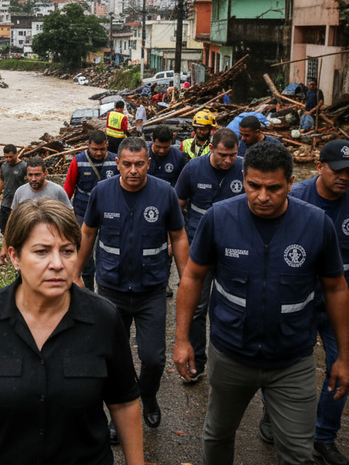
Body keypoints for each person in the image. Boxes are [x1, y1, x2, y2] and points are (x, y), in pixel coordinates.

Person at [173, 141, 349, 465]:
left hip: (292, 362)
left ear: (291, 183)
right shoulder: (220, 218)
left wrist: (344, 356)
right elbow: (193, 277)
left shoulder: (316, 224)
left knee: (298, 452)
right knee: (216, 436)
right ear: (244, 177)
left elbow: (336, 288)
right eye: (254, 186)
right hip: (230, 356)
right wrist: (182, 339)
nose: (262, 197)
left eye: (273, 188)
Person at [0, 198, 144, 465]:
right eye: (42, 251)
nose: (57, 264)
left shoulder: (103, 319)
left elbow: (124, 403)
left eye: (67, 251)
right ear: (14, 256)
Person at [75, 137, 190, 436]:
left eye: (140, 164)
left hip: (150, 290)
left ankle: (148, 396)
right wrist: (75, 272)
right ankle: (119, 412)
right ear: (118, 163)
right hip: (111, 290)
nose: (133, 170)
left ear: (148, 164)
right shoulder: (103, 192)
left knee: (153, 357)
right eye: (127, 164)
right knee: (114, 356)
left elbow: (178, 237)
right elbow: (87, 233)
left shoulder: (164, 193)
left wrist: (187, 278)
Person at [288, 140, 349, 465]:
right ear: (320, 166)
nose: (344, 177)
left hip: (339, 304)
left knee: (342, 367)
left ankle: (323, 436)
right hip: (299, 303)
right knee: (284, 366)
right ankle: (277, 420)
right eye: (339, 170)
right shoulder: (296, 199)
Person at [173, 128, 244, 382]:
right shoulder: (193, 168)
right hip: (198, 250)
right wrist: (178, 238)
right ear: (211, 149)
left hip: (235, 252)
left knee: (232, 305)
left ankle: (232, 362)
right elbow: (177, 205)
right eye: (223, 155)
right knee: (196, 307)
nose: (228, 160)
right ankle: (196, 362)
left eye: (233, 155)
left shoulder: (244, 170)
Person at [62, 130, 118, 289]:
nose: (99, 153)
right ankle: (88, 289)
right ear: (87, 145)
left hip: (110, 213)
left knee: (109, 249)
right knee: (84, 252)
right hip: (82, 212)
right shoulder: (77, 161)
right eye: (95, 149)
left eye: (102, 149)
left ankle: (106, 287)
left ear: (107, 144)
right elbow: (68, 188)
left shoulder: (115, 161)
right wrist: (63, 213)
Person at [0, 144, 28, 235]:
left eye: (10, 157)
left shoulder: (24, 167)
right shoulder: (4, 166)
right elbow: (1, 180)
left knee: (18, 229)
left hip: (19, 203)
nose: (8, 159)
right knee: (3, 228)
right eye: (6, 157)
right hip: (6, 201)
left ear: (17, 154)